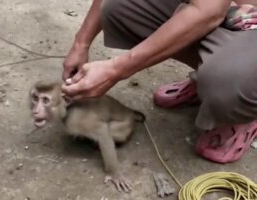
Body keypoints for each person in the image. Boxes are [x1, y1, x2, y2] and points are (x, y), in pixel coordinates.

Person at [61, 0, 257, 164]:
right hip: (225, 9)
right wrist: (81, 44)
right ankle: (212, 68)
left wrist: (115, 70)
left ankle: (243, 103)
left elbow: (209, 13)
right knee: (117, 6)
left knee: (226, 85)